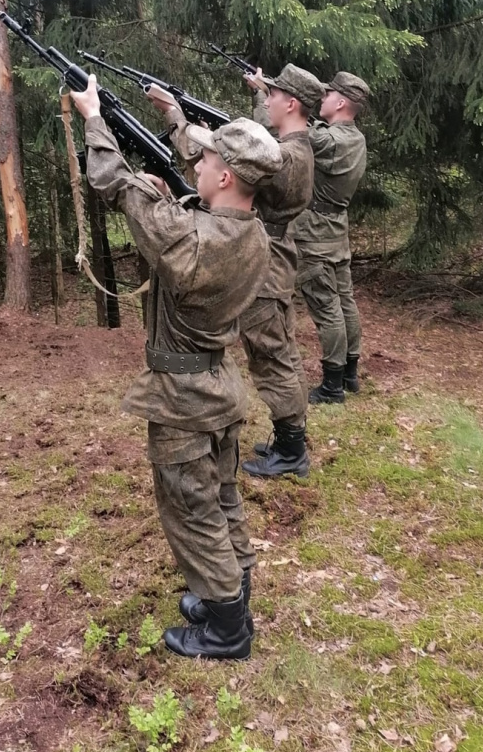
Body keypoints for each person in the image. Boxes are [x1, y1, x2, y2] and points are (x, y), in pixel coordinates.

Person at [71, 75, 283, 660]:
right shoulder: (252, 235)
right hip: (217, 387)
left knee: (192, 511)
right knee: (222, 498)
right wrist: (172, 194)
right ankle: (230, 595)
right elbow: (188, 222)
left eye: (206, 159)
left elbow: (113, 183)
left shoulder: (190, 239)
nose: (198, 163)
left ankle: (227, 630)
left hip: (183, 399)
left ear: (226, 177)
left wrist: (94, 119)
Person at [149, 63, 323, 479]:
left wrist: (175, 116)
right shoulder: (295, 149)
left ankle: (292, 449)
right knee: (278, 349)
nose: (267, 98)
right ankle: (290, 438)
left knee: (271, 354)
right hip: (272, 255)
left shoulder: (286, 156)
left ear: (291, 103)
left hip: (263, 263)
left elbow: (212, 163)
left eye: (273, 94)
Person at [293, 71, 369, 404]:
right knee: (345, 301)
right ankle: (349, 373)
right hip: (336, 230)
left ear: (340, 102)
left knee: (327, 307)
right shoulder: (356, 139)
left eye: (327, 95)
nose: (321, 99)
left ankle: (332, 386)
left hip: (315, 234)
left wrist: (264, 95)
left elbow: (291, 131)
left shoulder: (330, 140)